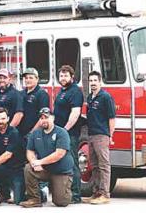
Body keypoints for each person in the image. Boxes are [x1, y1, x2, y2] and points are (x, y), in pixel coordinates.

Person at [20, 107, 74, 208]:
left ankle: (65, 188)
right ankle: (34, 199)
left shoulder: (62, 133)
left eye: (46, 117)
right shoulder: (35, 134)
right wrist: (33, 162)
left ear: (53, 118)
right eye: (41, 118)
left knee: (61, 202)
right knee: (28, 168)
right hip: (45, 169)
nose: (43, 120)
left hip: (60, 171)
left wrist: (40, 162)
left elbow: (59, 154)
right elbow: (30, 151)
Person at [82, 71, 116, 205]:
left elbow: (111, 118)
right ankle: (96, 193)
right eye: (91, 81)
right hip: (91, 135)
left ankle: (105, 194)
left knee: (104, 165)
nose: (93, 83)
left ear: (100, 82)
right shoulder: (90, 97)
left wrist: (110, 136)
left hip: (102, 135)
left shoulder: (106, 97)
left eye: (95, 80)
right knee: (94, 165)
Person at [53, 65, 84, 204]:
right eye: (61, 76)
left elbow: (75, 113)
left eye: (65, 76)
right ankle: (66, 193)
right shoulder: (62, 91)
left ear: (72, 77)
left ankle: (76, 195)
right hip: (61, 133)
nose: (63, 78)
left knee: (72, 163)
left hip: (69, 134)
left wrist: (64, 130)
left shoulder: (75, 91)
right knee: (64, 163)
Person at [17, 68, 50, 138]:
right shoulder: (21, 93)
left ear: (37, 79)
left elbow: (43, 117)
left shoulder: (42, 94)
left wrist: (32, 133)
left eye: (31, 78)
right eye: (26, 78)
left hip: (35, 135)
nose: (28, 80)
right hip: (20, 134)